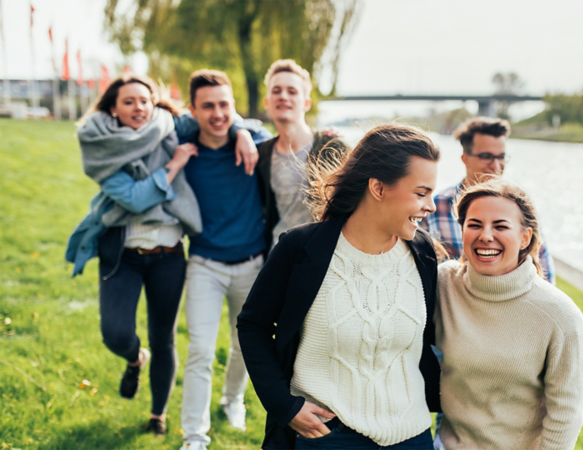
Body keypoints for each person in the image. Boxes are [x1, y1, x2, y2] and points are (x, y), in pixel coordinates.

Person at [238, 124, 442, 449]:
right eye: (421, 193)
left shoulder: (423, 254)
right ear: (378, 187)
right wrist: (283, 405)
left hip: (412, 435)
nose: (430, 205)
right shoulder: (301, 248)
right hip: (326, 436)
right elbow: (253, 325)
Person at [66, 75, 203, 435]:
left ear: (154, 103)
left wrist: (247, 137)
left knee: (164, 338)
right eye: (129, 101)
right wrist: (174, 164)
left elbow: (215, 116)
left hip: (169, 255)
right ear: (113, 108)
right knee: (114, 333)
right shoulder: (103, 145)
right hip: (122, 252)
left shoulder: (171, 124)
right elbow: (135, 199)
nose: (139, 107)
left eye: (145, 100)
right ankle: (133, 358)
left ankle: (158, 414)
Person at [435, 179, 583, 450]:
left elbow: (566, 413)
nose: (485, 235)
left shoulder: (560, 317)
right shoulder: (443, 284)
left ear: (525, 238)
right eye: (474, 225)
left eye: (500, 226)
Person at [178, 69, 272, 450]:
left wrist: (244, 132)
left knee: (244, 345)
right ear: (193, 110)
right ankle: (194, 437)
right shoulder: (183, 145)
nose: (217, 113)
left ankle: (232, 400)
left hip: (251, 264)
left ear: (233, 106)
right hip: (204, 263)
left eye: (224, 104)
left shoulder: (257, 142)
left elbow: (264, 129)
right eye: (208, 106)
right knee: (199, 350)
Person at [423, 117, 555, 284]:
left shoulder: (520, 206)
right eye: (486, 157)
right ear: (465, 159)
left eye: (501, 157)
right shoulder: (436, 206)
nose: (496, 165)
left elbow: (542, 266)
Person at [255, 59, 347, 250]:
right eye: (276, 91)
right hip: (279, 254)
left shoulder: (332, 147)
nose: (283, 96)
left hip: (322, 254)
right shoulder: (262, 153)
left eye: (292, 91)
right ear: (267, 103)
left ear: (306, 103)